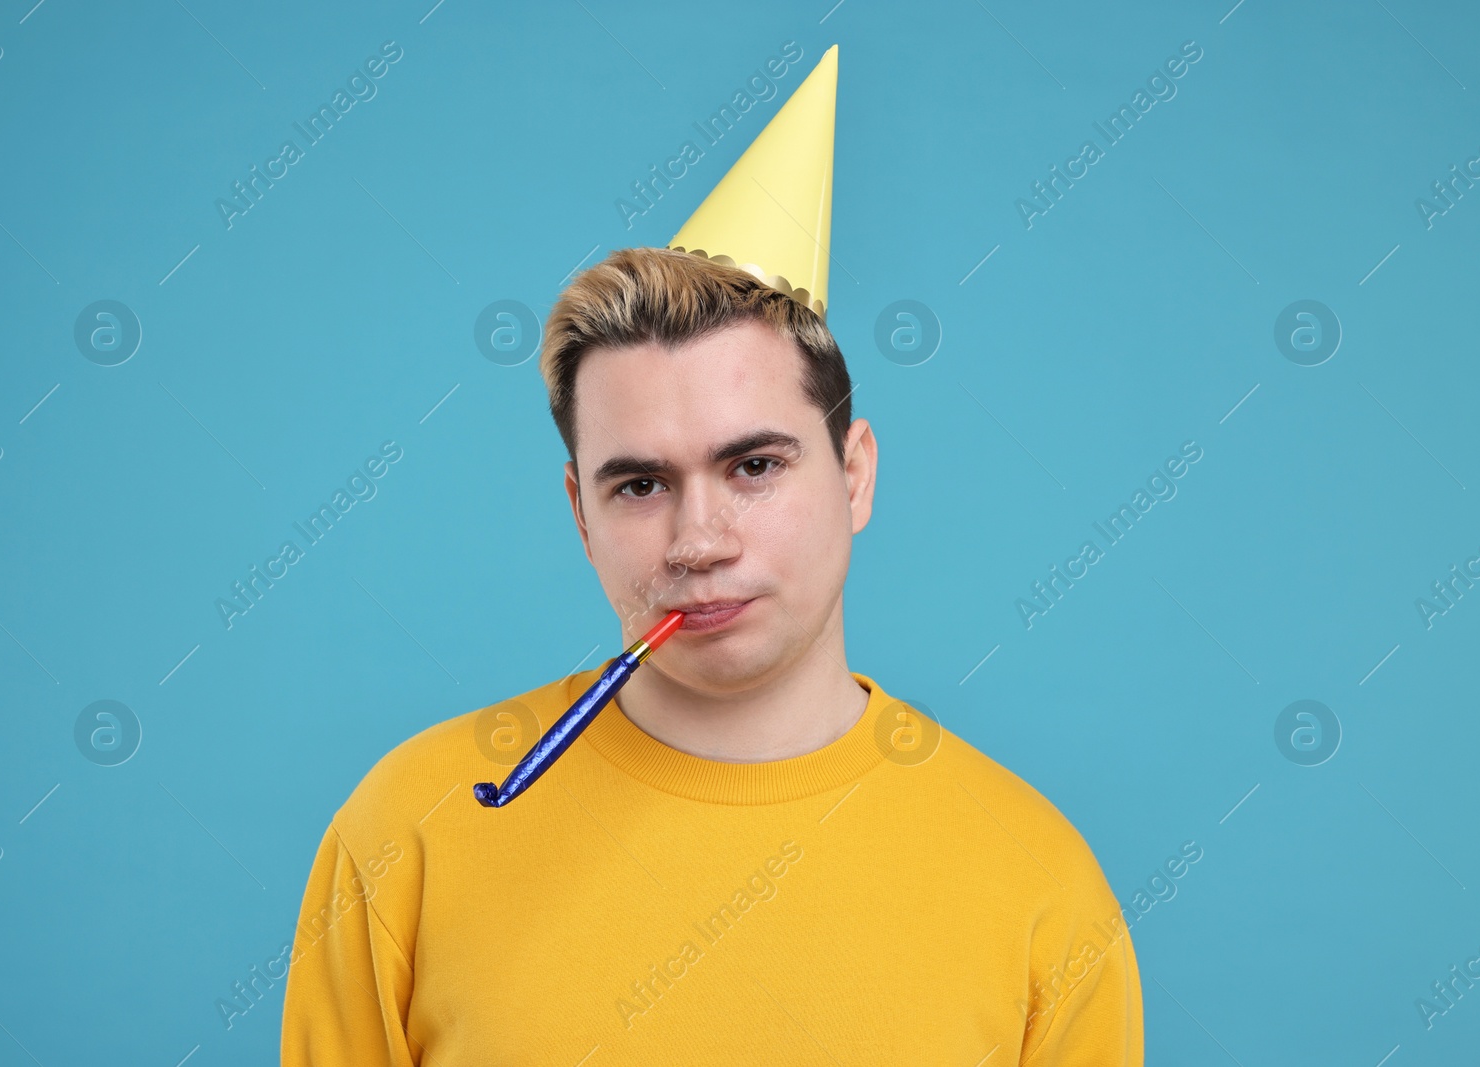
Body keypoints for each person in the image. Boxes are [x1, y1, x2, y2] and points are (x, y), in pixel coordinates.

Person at [281, 45, 1143, 1065]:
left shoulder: (1037, 879)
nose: (697, 541)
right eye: (639, 484)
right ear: (579, 513)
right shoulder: (405, 831)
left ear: (854, 473)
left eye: (754, 465)